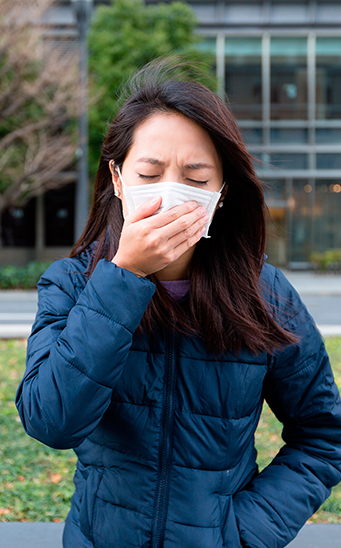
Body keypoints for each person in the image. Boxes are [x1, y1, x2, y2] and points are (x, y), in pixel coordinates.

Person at [16, 60, 341, 548]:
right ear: (119, 179)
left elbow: (323, 436)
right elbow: (52, 422)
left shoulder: (265, 293)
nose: (171, 193)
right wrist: (122, 277)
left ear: (222, 191)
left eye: (196, 177)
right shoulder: (72, 284)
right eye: (150, 173)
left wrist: (243, 534)